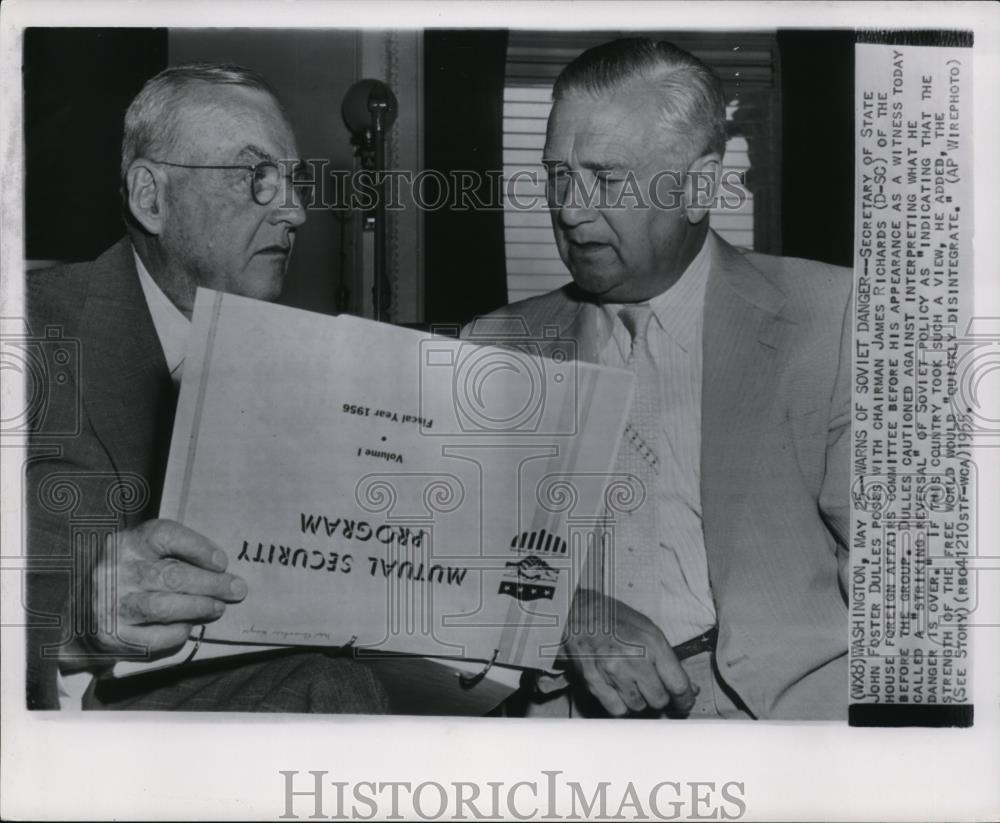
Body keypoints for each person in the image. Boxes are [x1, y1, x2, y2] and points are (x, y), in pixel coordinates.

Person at [469, 38, 851, 720]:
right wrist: (564, 612)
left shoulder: (833, 318)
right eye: (558, 174)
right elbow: (442, 567)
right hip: (574, 727)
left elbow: (909, 588)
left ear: (700, 187)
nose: (570, 208)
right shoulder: (497, 345)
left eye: (607, 178)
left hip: (792, 728)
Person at [26, 63, 389, 712]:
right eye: (257, 178)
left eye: (294, 181)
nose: (297, 212)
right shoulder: (26, 332)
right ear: (150, 197)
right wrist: (76, 623)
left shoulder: (306, 366)